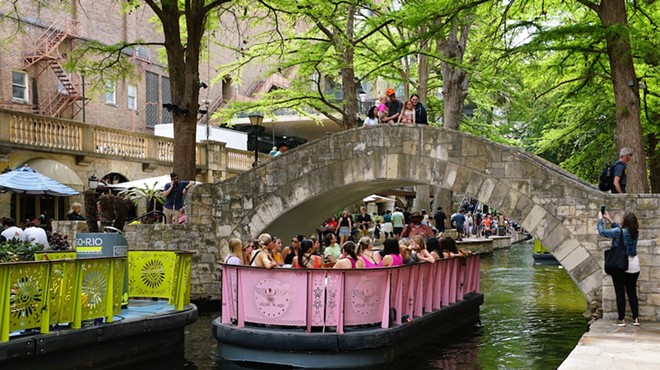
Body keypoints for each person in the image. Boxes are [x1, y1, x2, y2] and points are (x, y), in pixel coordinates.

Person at [598, 209, 640, 326]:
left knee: (620, 292)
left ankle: (621, 320)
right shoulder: (635, 232)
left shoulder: (618, 232)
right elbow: (621, 232)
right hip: (634, 265)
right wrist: (610, 220)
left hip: (621, 264)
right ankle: (635, 319)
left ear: (624, 220)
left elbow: (602, 232)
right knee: (632, 292)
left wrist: (600, 219)